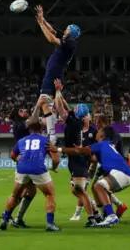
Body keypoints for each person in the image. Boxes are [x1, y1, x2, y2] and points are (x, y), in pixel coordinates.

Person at [50, 126, 130, 227]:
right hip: (125, 174)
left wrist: (58, 149)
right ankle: (105, 217)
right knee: (97, 188)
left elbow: (81, 151)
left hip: (122, 173)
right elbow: (93, 159)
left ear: (102, 136)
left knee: (99, 186)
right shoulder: (106, 146)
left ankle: (111, 215)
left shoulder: (101, 144)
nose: (96, 133)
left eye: (98, 132)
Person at [52, 79, 97, 226]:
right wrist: (60, 93)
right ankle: (95, 211)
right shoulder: (75, 118)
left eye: (76, 107)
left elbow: (59, 108)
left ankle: (92, 216)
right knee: (75, 190)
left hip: (77, 160)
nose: (74, 107)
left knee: (79, 190)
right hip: (75, 159)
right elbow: (64, 106)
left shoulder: (72, 122)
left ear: (78, 112)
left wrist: (58, 91)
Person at [0, 121, 61, 232]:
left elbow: (13, 155)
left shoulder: (21, 141)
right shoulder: (45, 141)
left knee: (15, 195)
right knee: (50, 194)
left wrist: (20, 161)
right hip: (37, 169)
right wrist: (54, 168)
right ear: (42, 130)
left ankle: (4, 219)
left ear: (29, 130)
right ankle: (50, 224)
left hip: (22, 169)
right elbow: (56, 159)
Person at [34, 4, 80, 145]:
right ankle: (48, 131)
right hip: (54, 74)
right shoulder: (67, 41)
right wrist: (43, 18)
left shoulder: (69, 43)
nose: (65, 29)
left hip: (53, 74)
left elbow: (51, 38)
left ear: (70, 33)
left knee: (44, 102)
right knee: (44, 103)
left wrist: (41, 23)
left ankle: (51, 135)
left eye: (67, 29)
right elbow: (53, 31)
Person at [0, 102, 43, 229]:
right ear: (19, 113)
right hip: (27, 164)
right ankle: (8, 216)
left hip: (26, 163)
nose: (26, 112)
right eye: (23, 110)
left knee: (28, 191)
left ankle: (13, 217)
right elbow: (33, 119)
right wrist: (38, 105)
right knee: (18, 193)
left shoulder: (20, 127)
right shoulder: (19, 125)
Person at [93, 114, 128, 219]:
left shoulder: (114, 135)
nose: (96, 124)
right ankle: (118, 206)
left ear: (103, 123)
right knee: (97, 187)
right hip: (106, 165)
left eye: (98, 122)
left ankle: (107, 215)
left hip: (116, 166)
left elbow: (110, 147)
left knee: (100, 187)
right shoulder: (100, 136)